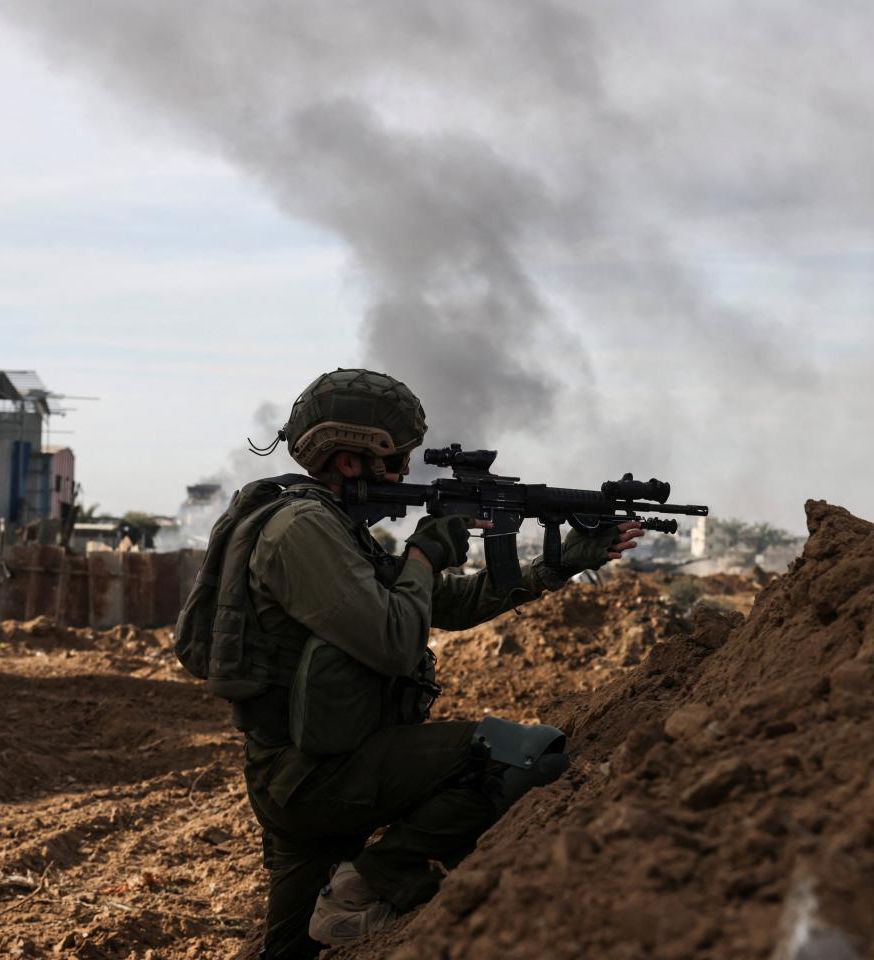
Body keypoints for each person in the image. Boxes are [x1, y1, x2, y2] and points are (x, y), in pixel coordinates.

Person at [217, 368, 639, 958]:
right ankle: (365, 889)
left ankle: (346, 898)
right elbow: (393, 637)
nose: (406, 475)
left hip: (313, 767)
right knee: (513, 759)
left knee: (290, 952)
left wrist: (559, 563)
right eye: (396, 461)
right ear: (349, 461)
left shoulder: (335, 531)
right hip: (317, 775)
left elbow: (442, 605)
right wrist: (422, 552)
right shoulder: (302, 530)